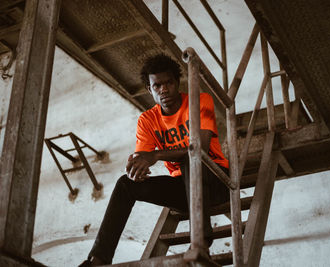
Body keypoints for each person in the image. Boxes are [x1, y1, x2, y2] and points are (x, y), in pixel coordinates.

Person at [80, 54, 230, 266]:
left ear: (177, 83)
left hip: (217, 180)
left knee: (191, 158)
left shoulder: (199, 101)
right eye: (157, 85)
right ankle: (97, 259)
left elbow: (201, 148)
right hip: (184, 190)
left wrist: (157, 155)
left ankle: (201, 241)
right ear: (150, 90)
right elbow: (142, 156)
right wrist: (136, 168)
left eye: (168, 82)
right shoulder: (148, 119)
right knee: (125, 184)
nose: (164, 90)